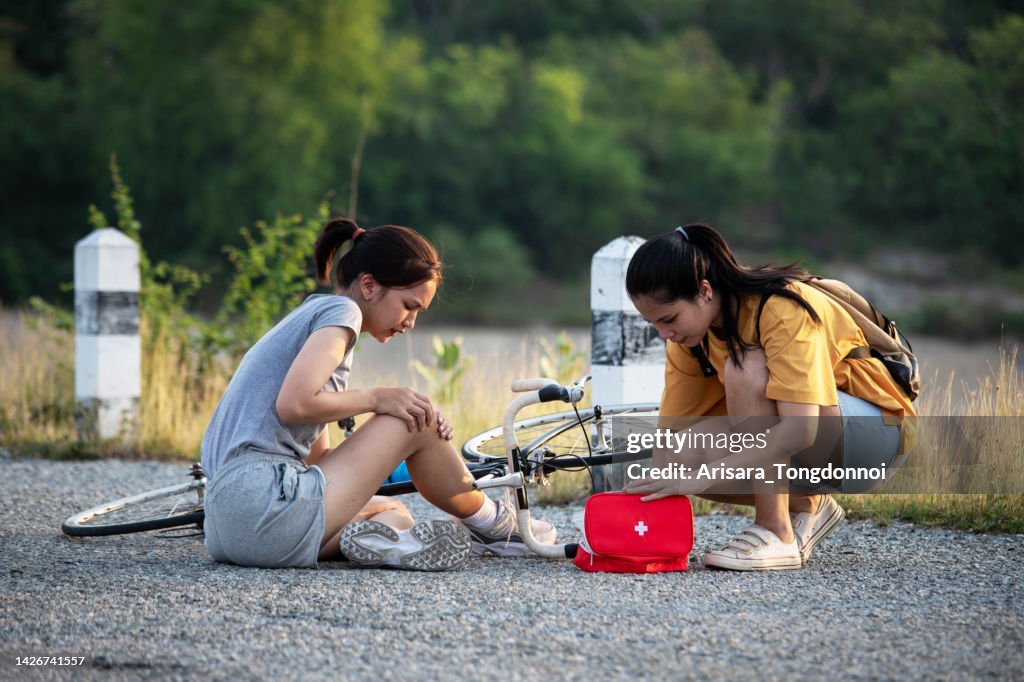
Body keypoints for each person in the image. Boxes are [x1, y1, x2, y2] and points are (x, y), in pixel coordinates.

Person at [200, 218, 555, 570]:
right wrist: (385, 404)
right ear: (368, 286)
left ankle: (394, 544)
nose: (411, 322)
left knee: (392, 512)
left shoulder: (312, 318)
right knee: (415, 417)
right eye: (409, 305)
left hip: (230, 528)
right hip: (262, 500)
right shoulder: (343, 311)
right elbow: (294, 404)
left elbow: (317, 461)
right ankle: (493, 527)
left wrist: (385, 451)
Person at [623, 224, 915, 570]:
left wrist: (703, 477)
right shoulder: (688, 339)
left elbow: (799, 431)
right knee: (677, 457)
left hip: (873, 439)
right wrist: (638, 530)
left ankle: (776, 531)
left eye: (668, 319)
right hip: (818, 442)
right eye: (653, 323)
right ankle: (807, 505)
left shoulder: (781, 307)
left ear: (704, 291)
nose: (664, 334)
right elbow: (669, 447)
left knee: (745, 368)